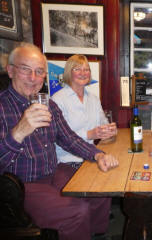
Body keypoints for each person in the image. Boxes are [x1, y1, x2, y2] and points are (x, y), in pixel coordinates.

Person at [0, 43, 119, 240]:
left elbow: (68, 138)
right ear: (10, 70)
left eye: (39, 72)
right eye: (25, 70)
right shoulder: (3, 106)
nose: (33, 78)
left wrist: (97, 154)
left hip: (54, 171)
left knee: (98, 190)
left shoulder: (49, 104)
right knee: (77, 211)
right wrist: (19, 132)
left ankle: (94, 234)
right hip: (21, 186)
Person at [52, 54, 117, 170]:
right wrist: (89, 134)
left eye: (86, 69)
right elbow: (61, 136)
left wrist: (109, 130)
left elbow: (103, 122)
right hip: (67, 161)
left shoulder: (94, 99)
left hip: (91, 158)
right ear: (68, 72)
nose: (83, 73)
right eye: (77, 69)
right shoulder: (57, 100)